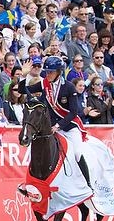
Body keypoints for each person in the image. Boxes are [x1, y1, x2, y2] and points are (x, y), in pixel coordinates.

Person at [19, 56, 92, 184]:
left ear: (59, 71)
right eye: (46, 71)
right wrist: (22, 77)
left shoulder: (69, 87)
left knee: (77, 153)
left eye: (51, 72)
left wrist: (58, 126)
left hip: (69, 127)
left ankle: (88, 183)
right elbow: (23, 90)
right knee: (38, 152)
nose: (48, 74)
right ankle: (33, 183)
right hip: (51, 127)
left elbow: (73, 112)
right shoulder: (44, 83)